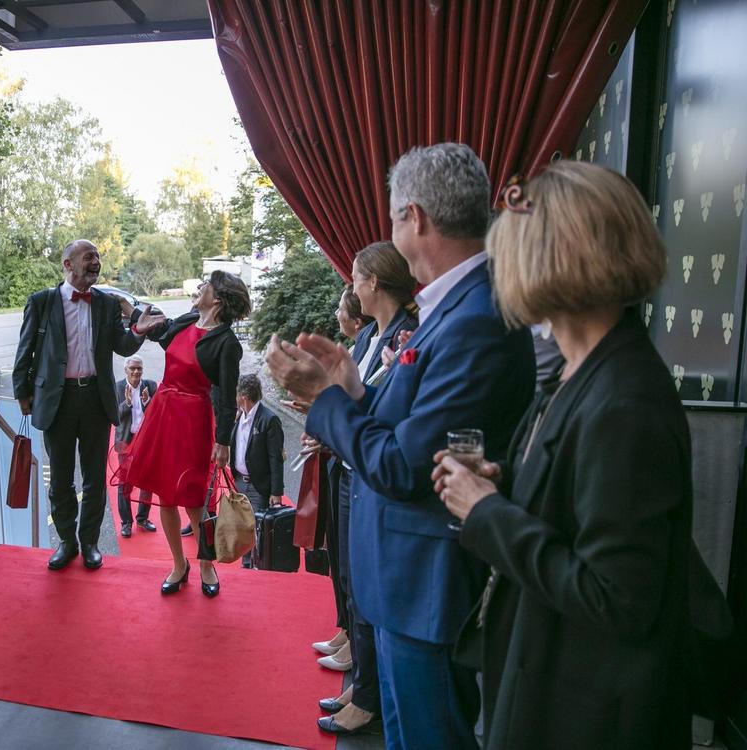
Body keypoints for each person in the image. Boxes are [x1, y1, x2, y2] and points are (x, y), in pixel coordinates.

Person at [267, 143, 535, 749]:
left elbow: (402, 466)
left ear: (414, 217)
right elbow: (407, 426)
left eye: (391, 216)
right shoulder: (452, 306)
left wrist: (325, 400)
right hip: (403, 580)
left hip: (425, 584)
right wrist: (353, 389)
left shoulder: (475, 319)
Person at [433, 161, 691, 749]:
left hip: (587, 714)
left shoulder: (623, 400)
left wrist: (487, 511)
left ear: (549, 260)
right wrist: (506, 484)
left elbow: (617, 598)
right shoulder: (581, 371)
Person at [315, 241, 419, 731]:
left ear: (374, 282)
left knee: (366, 586)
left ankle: (370, 697)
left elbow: (384, 409)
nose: (352, 287)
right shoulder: (373, 336)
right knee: (353, 581)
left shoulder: (406, 335)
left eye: (355, 277)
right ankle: (364, 684)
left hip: (372, 471)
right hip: (350, 468)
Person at [12, 239, 165, 571]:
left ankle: (90, 543)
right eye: (88, 257)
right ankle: (66, 542)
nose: (96, 262)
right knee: (61, 479)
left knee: (95, 478)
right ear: (68, 264)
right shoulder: (41, 301)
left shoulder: (106, 303)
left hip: (96, 399)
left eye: (97, 256)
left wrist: (138, 331)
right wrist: (22, 392)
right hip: (58, 400)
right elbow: (25, 350)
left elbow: (122, 346)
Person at [121, 271, 252, 596]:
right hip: (164, 414)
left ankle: (206, 565)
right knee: (165, 496)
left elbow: (226, 398)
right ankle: (179, 565)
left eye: (206, 284)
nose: (200, 286)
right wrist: (130, 312)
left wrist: (223, 441)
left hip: (194, 420)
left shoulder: (227, 343)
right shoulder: (189, 319)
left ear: (217, 299)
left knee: (194, 501)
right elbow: (160, 331)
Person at [228, 373, 284, 569]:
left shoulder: (269, 420)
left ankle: (257, 565)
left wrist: (276, 492)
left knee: (257, 528)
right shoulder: (240, 416)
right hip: (239, 482)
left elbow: (276, 458)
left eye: (236, 394)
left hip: (258, 484)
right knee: (243, 526)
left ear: (243, 396)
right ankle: (246, 564)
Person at [114, 355, 157, 538]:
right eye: (132, 368)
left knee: (147, 482)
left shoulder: (150, 386)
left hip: (146, 441)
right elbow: (114, 416)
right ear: (126, 370)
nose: (136, 372)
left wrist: (147, 402)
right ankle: (126, 522)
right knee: (125, 483)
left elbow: (158, 413)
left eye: (139, 368)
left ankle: (142, 518)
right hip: (126, 441)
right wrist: (128, 403)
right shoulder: (117, 387)